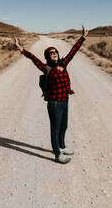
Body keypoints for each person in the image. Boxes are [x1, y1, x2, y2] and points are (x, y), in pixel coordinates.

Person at [14, 26, 86, 164]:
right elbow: (33, 58)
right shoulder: (45, 68)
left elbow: (73, 51)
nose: (54, 54)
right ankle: (57, 154)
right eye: (51, 53)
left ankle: (62, 146)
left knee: (64, 126)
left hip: (65, 100)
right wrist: (21, 49)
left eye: (56, 52)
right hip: (54, 103)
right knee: (55, 129)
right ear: (48, 56)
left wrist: (82, 38)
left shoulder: (63, 64)